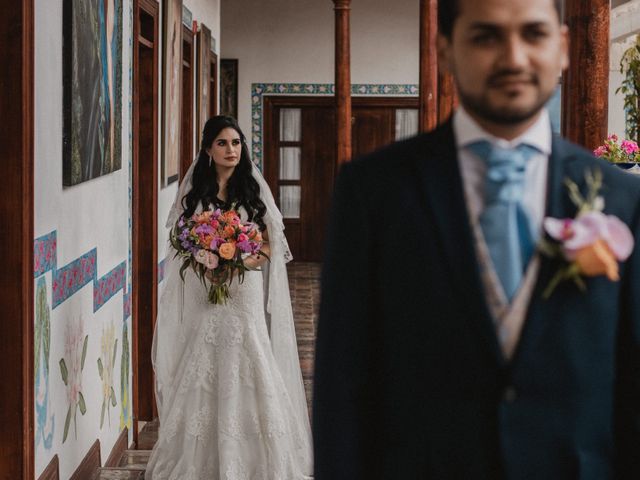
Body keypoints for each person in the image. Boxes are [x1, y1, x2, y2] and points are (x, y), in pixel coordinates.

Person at [313, 0, 640, 478]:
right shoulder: (373, 192)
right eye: (486, 36)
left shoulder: (622, 199)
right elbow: (342, 389)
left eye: (533, 34)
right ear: (445, 50)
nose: (513, 57)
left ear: (564, 48)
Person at [146, 116, 313, 479]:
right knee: (205, 351)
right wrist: (208, 261)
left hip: (245, 286)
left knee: (250, 349)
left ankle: (259, 459)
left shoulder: (252, 193)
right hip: (207, 287)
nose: (231, 150)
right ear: (208, 149)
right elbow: (182, 245)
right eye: (222, 143)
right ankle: (200, 457)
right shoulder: (195, 197)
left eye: (236, 143)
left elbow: (271, 246)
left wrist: (239, 260)